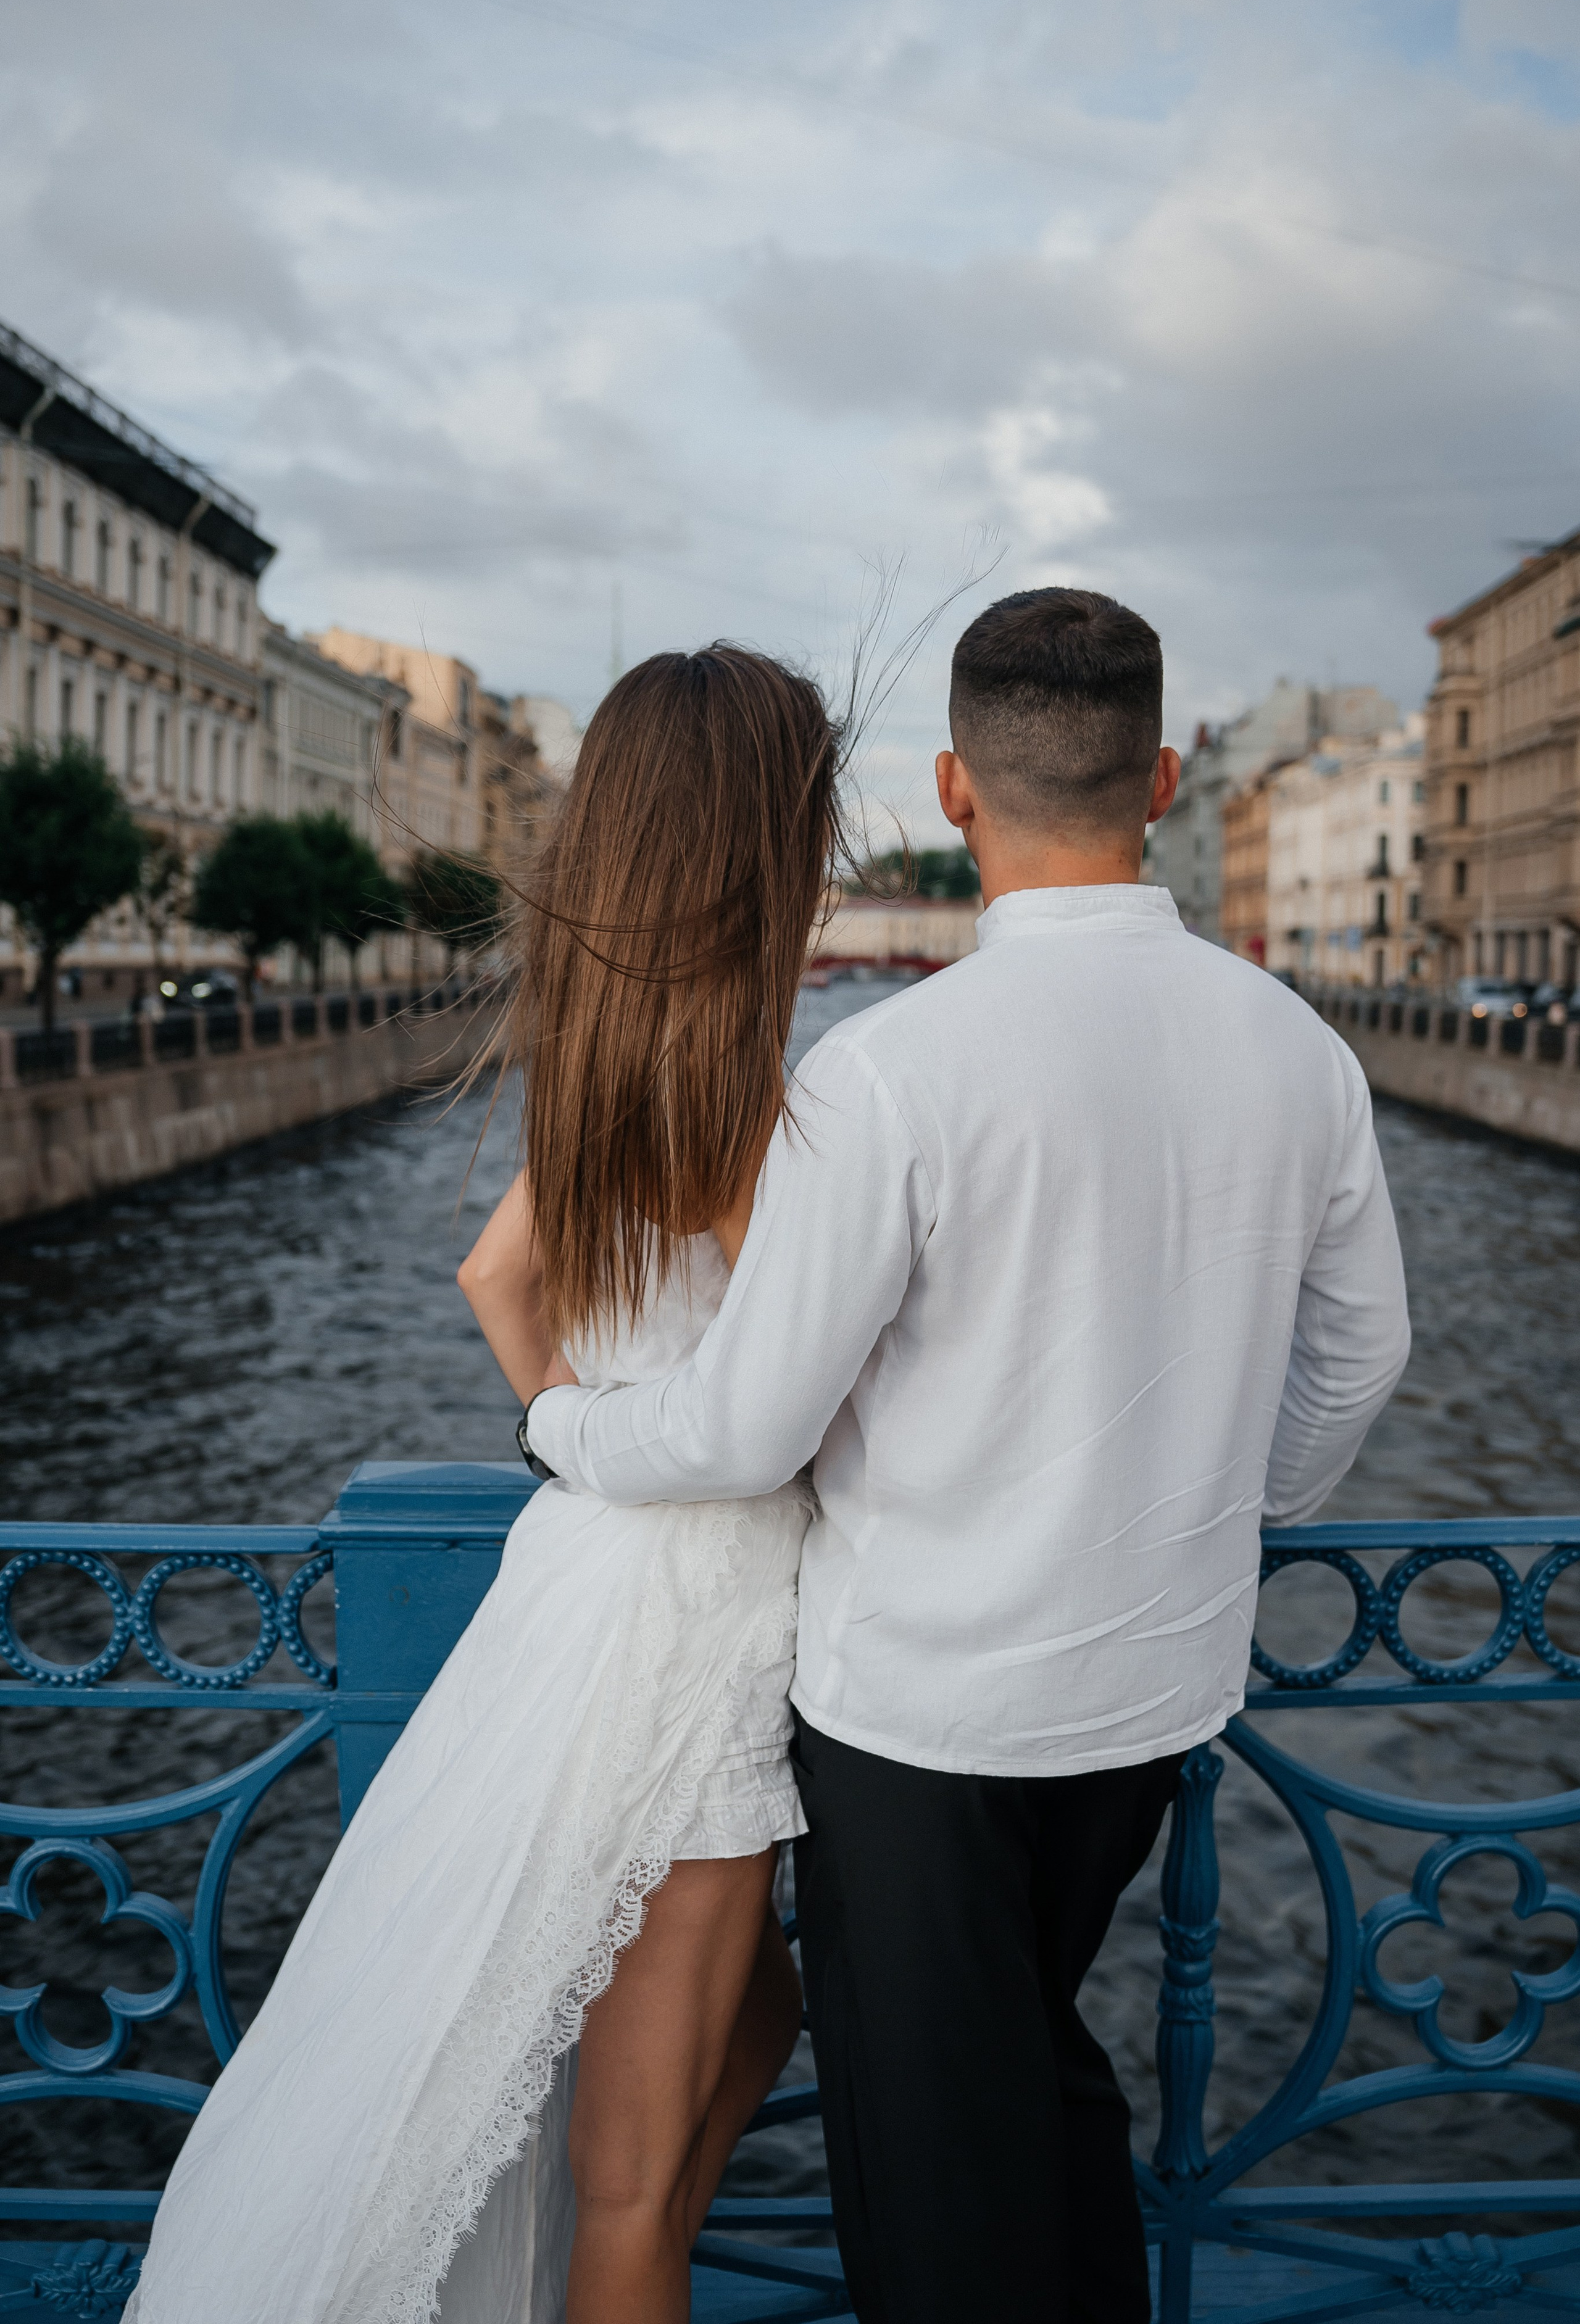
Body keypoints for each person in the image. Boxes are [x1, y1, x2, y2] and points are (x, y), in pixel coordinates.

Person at [524, 587, 1412, 2323]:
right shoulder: (1301, 1052)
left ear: (953, 789)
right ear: (1158, 775)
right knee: (1040, 2076)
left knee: (932, 2189)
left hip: (922, 1722)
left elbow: (744, 1427)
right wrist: (1247, 1503)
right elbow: (1362, 1351)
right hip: (1152, 1695)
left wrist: (557, 1421)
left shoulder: (891, 1075)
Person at [124, 645, 849, 2324]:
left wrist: (564, 1432)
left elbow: (492, 1281)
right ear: (763, 847)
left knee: (731, 2034)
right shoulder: (744, 1103)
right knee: (637, 2187)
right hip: (696, 1635)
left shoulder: (598, 1059)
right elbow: (794, 1406)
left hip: (577, 1588)